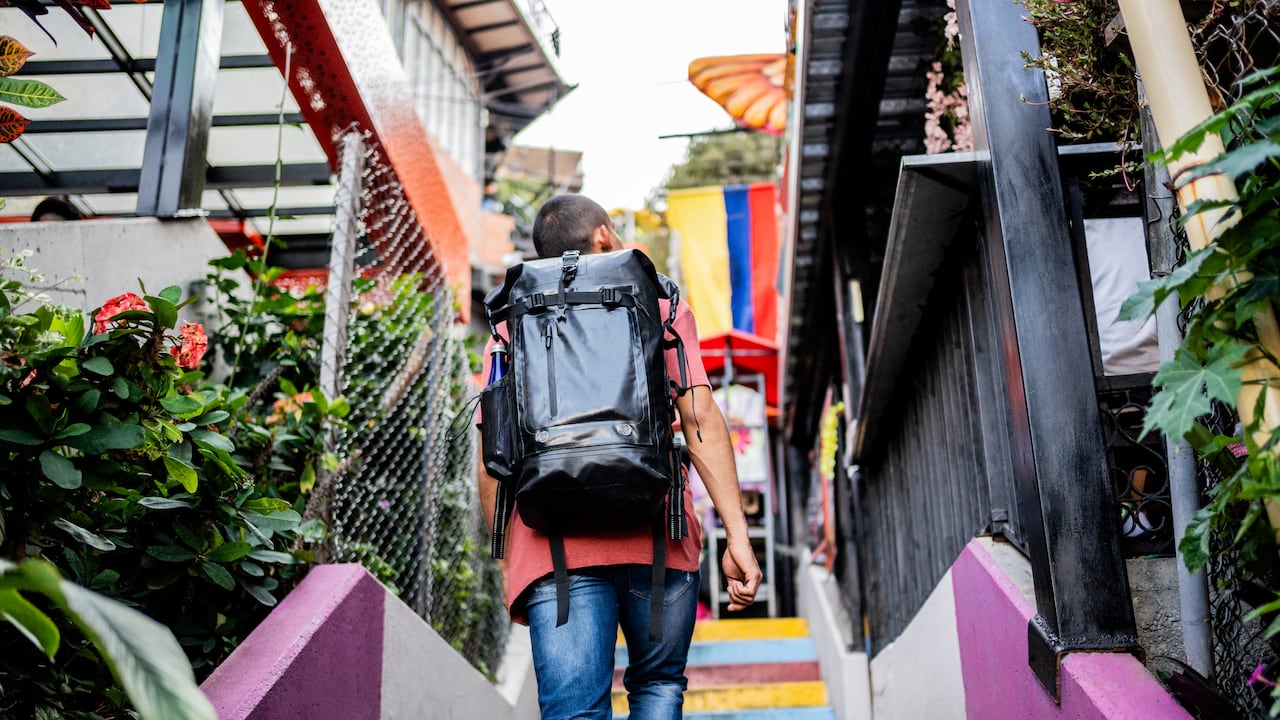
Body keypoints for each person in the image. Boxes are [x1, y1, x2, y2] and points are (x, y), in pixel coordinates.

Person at [477, 193, 762, 720]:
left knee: (574, 712)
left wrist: (505, 563)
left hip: (552, 550)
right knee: (656, 686)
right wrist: (738, 539)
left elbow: (492, 451)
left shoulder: (510, 319)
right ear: (605, 236)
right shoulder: (659, 303)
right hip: (657, 537)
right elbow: (699, 420)